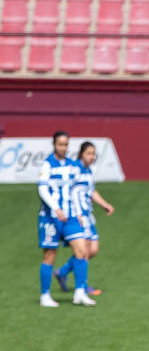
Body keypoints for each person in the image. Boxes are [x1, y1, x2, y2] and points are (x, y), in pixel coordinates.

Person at [36, 131, 96, 308]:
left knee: (82, 250)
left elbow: (74, 191)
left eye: (66, 144)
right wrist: (55, 207)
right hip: (50, 218)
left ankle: (79, 292)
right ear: (54, 144)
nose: (63, 147)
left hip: (69, 216)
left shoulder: (71, 165)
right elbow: (43, 189)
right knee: (49, 255)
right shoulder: (47, 165)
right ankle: (45, 295)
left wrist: (76, 211)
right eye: (60, 144)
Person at [55, 141, 115, 298]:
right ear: (81, 153)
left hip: (88, 214)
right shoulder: (74, 169)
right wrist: (74, 212)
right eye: (89, 154)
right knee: (84, 251)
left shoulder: (89, 171)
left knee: (92, 250)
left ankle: (62, 272)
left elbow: (91, 191)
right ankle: (82, 286)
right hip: (78, 216)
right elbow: (67, 190)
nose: (92, 157)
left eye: (94, 154)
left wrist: (105, 204)